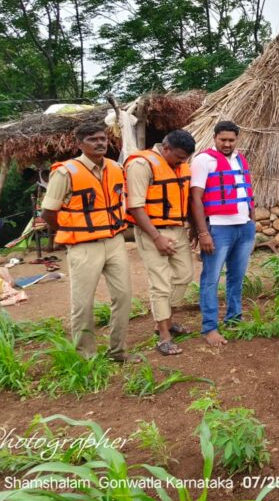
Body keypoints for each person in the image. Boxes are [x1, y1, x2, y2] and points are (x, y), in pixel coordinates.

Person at [40, 123, 137, 362]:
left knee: (124, 296)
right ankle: (86, 357)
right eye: (93, 139)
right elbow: (48, 212)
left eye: (103, 138)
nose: (100, 143)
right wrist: (72, 230)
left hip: (114, 240)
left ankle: (118, 352)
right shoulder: (66, 172)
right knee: (83, 304)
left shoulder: (115, 168)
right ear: (80, 144)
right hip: (83, 245)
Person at [124, 130, 196, 356]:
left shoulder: (180, 164)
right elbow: (135, 206)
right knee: (160, 283)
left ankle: (163, 320)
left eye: (185, 158)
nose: (182, 162)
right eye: (179, 157)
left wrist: (193, 227)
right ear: (166, 148)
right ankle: (164, 335)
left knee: (184, 275)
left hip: (177, 228)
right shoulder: (141, 165)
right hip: (152, 231)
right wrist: (157, 237)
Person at [189, 121, 256, 346]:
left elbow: (246, 190)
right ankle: (210, 327)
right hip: (218, 227)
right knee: (211, 278)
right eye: (223, 140)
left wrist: (251, 219)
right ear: (215, 137)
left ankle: (234, 319)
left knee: (236, 277)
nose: (227, 144)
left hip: (244, 227)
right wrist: (203, 233)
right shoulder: (203, 160)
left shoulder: (240, 159)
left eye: (231, 140)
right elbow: (196, 198)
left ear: (237, 139)